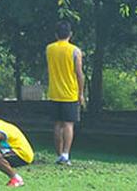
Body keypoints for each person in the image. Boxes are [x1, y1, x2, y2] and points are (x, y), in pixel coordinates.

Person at [45, 21, 84, 165]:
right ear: (70, 34)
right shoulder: (75, 51)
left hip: (54, 92)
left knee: (57, 125)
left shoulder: (49, 49)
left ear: (56, 34)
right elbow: (79, 74)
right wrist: (81, 93)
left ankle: (59, 154)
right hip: (70, 93)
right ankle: (66, 154)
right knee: (68, 125)